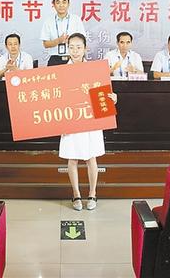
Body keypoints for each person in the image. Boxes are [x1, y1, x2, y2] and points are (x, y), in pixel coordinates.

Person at [60, 33, 117, 211]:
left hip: (91, 119)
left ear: (85, 49)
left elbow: (103, 95)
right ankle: (76, 194)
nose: (75, 51)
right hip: (70, 118)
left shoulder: (94, 70)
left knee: (91, 157)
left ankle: (92, 193)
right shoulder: (60, 71)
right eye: (71, 47)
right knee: (72, 158)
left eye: (78, 47)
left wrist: (112, 99)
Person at [40, 0, 86, 66]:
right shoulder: (48, 21)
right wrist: (59, 40)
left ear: (68, 4)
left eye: (64, 2)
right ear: (54, 5)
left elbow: (83, 40)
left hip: (73, 58)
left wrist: (71, 41)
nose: (61, 5)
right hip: (55, 60)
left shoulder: (76, 19)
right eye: (58, 2)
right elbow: (46, 44)